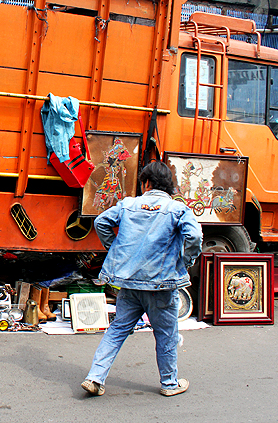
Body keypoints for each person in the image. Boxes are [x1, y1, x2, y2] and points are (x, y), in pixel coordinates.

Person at [81, 161, 203, 397]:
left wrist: (115, 249)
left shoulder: (128, 205)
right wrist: (186, 261)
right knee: (166, 335)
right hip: (161, 285)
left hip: (129, 282)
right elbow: (195, 236)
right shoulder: (177, 209)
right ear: (169, 186)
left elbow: (101, 222)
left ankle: (95, 377)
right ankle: (169, 384)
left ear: (146, 183)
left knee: (117, 330)